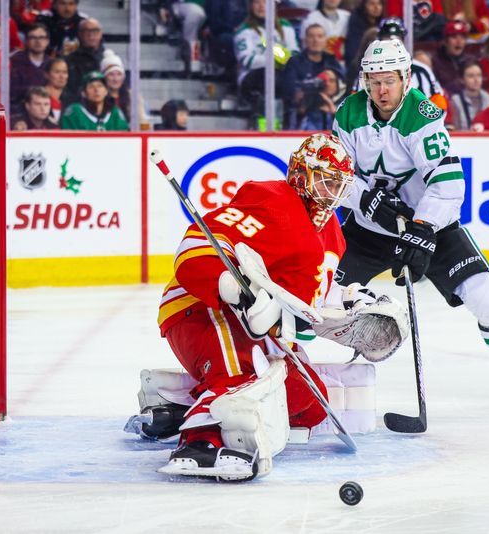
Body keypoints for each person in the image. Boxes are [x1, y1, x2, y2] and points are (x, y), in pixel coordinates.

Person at [154, 133, 406, 480]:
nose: (333, 193)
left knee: (307, 402)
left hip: (257, 323)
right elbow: (196, 249)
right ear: (301, 176)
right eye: (326, 180)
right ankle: (200, 443)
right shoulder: (270, 201)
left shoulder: (333, 231)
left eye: (340, 185)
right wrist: (230, 287)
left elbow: (305, 309)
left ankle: (174, 405)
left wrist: (347, 307)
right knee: (244, 372)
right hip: (201, 305)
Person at [332, 39, 489, 402]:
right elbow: (337, 173)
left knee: (487, 296)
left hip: (425, 224)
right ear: (365, 80)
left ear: (406, 78)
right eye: (375, 80)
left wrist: (422, 229)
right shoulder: (349, 112)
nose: (382, 90)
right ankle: (289, 371)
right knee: (319, 294)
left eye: (390, 80)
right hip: (367, 230)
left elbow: (447, 183)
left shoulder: (422, 116)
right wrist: (365, 198)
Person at [233, 0, 298, 115]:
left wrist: (279, 61)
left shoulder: (285, 26)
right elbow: (248, 61)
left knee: (292, 69)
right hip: (252, 77)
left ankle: (289, 112)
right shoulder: (244, 30)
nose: (261, 6)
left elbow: (294, 52)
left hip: (282, 73)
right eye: (257, 2)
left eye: (265, 2)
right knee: (276, 75)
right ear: (251, 6)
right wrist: (278, 61)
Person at [282, 23, 344, 129]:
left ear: (325, 40)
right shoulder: (294, 62)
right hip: (303, 112)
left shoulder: (332, 61)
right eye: (311, 36)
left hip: (330, 109)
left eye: (320, 36)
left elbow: (342, 87)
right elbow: (291, 92)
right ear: (305, 40)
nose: (315, 40)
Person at [60, 71, 129, 131]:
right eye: (91, 86)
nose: (96, 90)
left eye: (100, 86)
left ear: (106, 91)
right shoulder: (74, 112)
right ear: (83, 93)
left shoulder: (114, 112)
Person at [65, 18, 115, 96]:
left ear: (101, 33)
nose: (91, 35)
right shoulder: (69, 60)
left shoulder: (109, 58)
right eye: (86, 31)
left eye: (95, 30)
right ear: (80, 34)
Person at [10, 23, 51, 111]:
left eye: (41, 38)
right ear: (26, 41)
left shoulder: (52, 63)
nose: (38, 41)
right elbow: (12, 92)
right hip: (20, 109)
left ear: (47, 41)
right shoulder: (15, 61)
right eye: (33, 38)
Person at [431, 20, 476, 98]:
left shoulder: (471, 61)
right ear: (445, 41)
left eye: (462, 37)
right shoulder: (435, 62)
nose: (459, 42)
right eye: (454, 37)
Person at [450, 60, 489, 130]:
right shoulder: (455, 100)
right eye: (471, 76)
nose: (476, 80)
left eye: (479, 75)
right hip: (463, 139)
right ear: (462, 79)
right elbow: (455, 129)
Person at [344, 0, 384, 67]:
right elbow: (352, 54)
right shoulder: (356, 25)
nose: (376, 7)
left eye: (379, 4)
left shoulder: (383, 24)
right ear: (364, 6)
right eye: (372, 4)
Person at [44, 58, 74, 124]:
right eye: (57, 72)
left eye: (65, 72)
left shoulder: (71, 101)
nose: (62, 76)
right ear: (46, 75)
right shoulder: (37, 97)